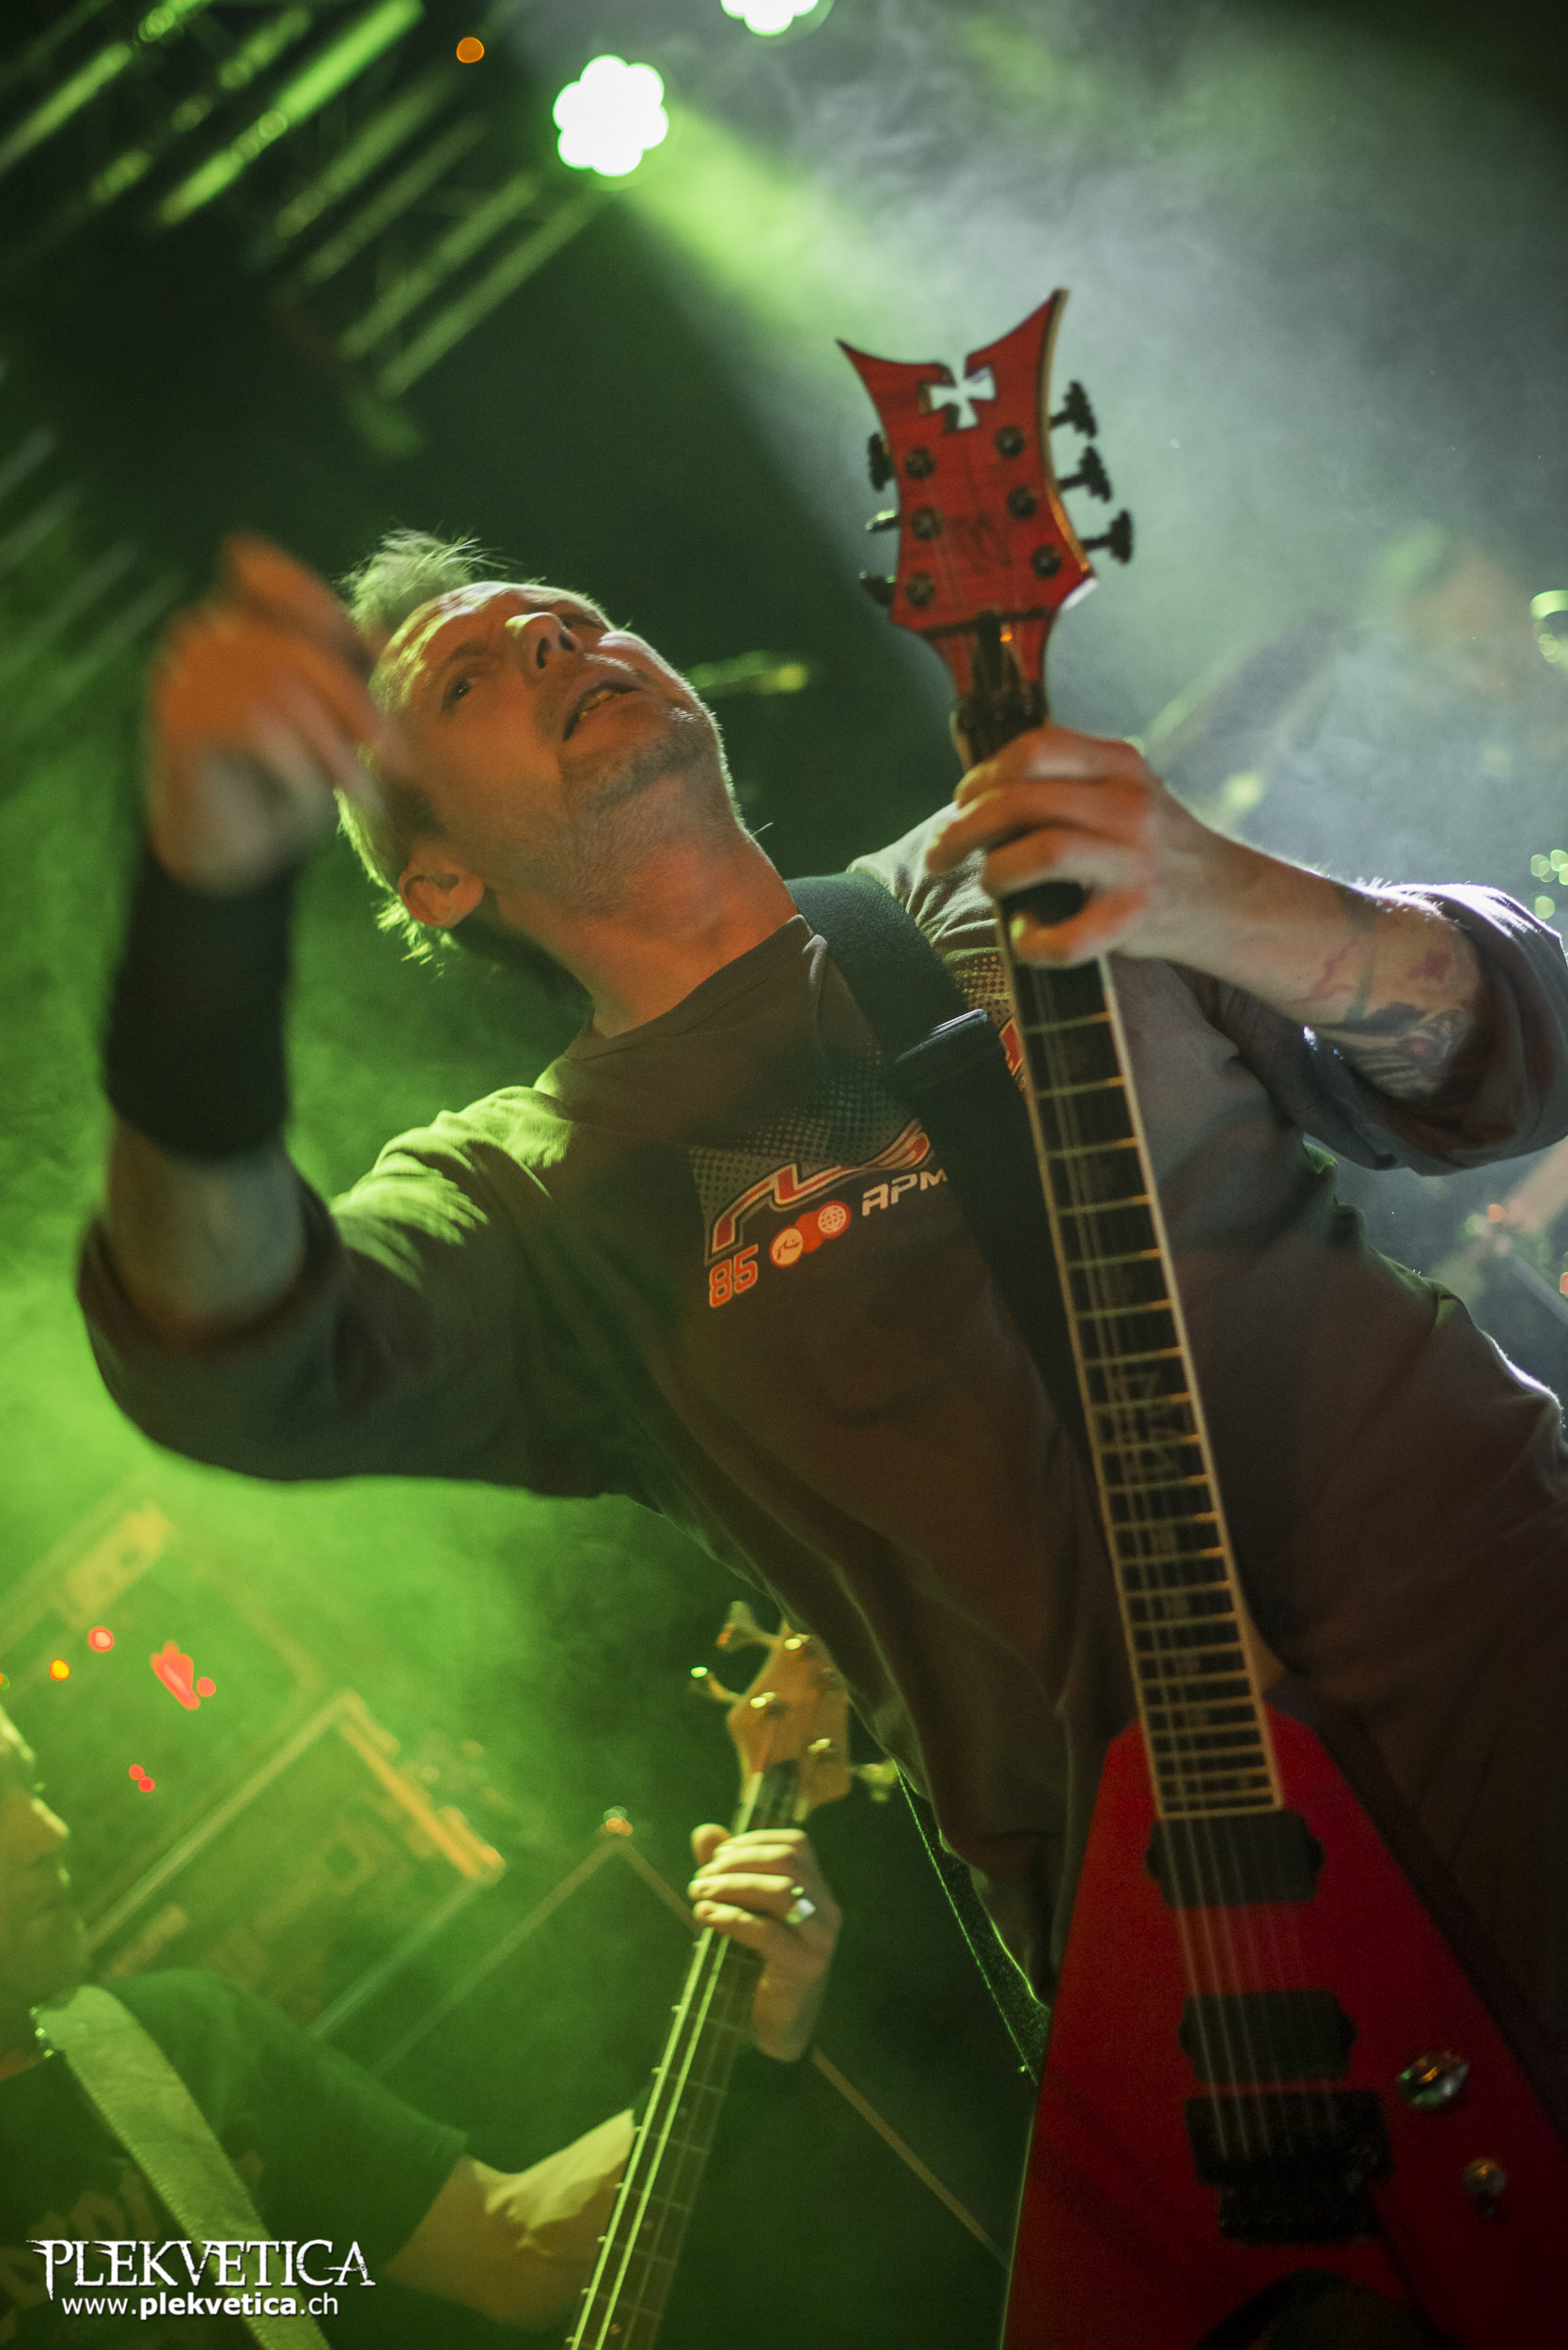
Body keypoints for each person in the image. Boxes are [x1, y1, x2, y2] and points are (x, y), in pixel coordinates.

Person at [76, 531, 1568, 2093]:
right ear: (437, 878)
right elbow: (227, 1348)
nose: (551, 645)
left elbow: (1517, 1053)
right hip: (1226, 1968)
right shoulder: (532, 1195)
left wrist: (1230, 897)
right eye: (468, 678)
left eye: (567, 616)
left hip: (1512, 1649)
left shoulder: (998, 868)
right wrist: (200, 919)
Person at [0, 1700, 840, 2345]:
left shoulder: (182, 2039)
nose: (48, 1829)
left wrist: (745, 2030)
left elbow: (512, 2252)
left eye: (30, 1785)